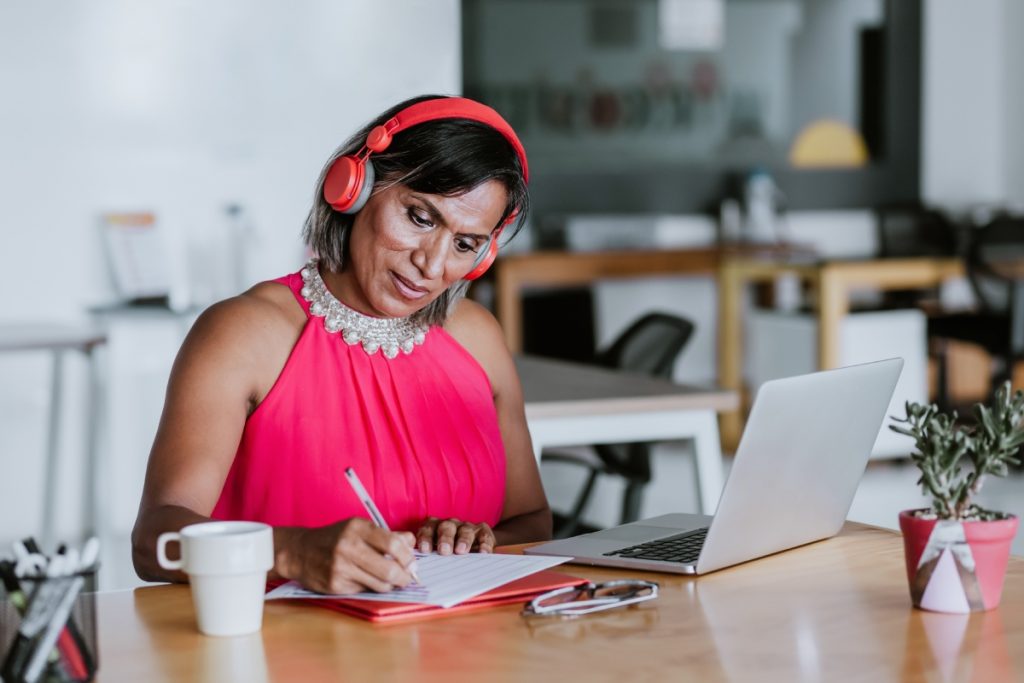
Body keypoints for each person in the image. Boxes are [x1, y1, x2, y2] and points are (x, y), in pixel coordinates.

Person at [131, 95, 551, 595]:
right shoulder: (244, 334)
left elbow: (532, 520)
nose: (434, 265)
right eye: (420, 217)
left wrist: (480, 542)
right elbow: (155, 541)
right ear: (353, 188)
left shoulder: (478, 337)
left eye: (465, 244)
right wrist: (290, 551)